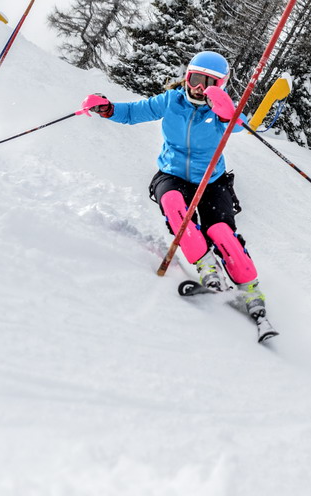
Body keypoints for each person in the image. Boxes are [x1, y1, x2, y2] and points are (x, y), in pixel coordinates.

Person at [83, 50, 267, 322]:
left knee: (220, 231)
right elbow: (133, 112)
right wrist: (108, 109)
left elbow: (241, 125)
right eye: (195, 79)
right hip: (172, 175)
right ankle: (207, 268)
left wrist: (227, 114)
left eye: (210, 83)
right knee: (173, 204)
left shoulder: (221, 111)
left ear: (221, 86)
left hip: (211, 181)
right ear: (187, 77)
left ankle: (251, 289)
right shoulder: (172, 100)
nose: (200, 88)